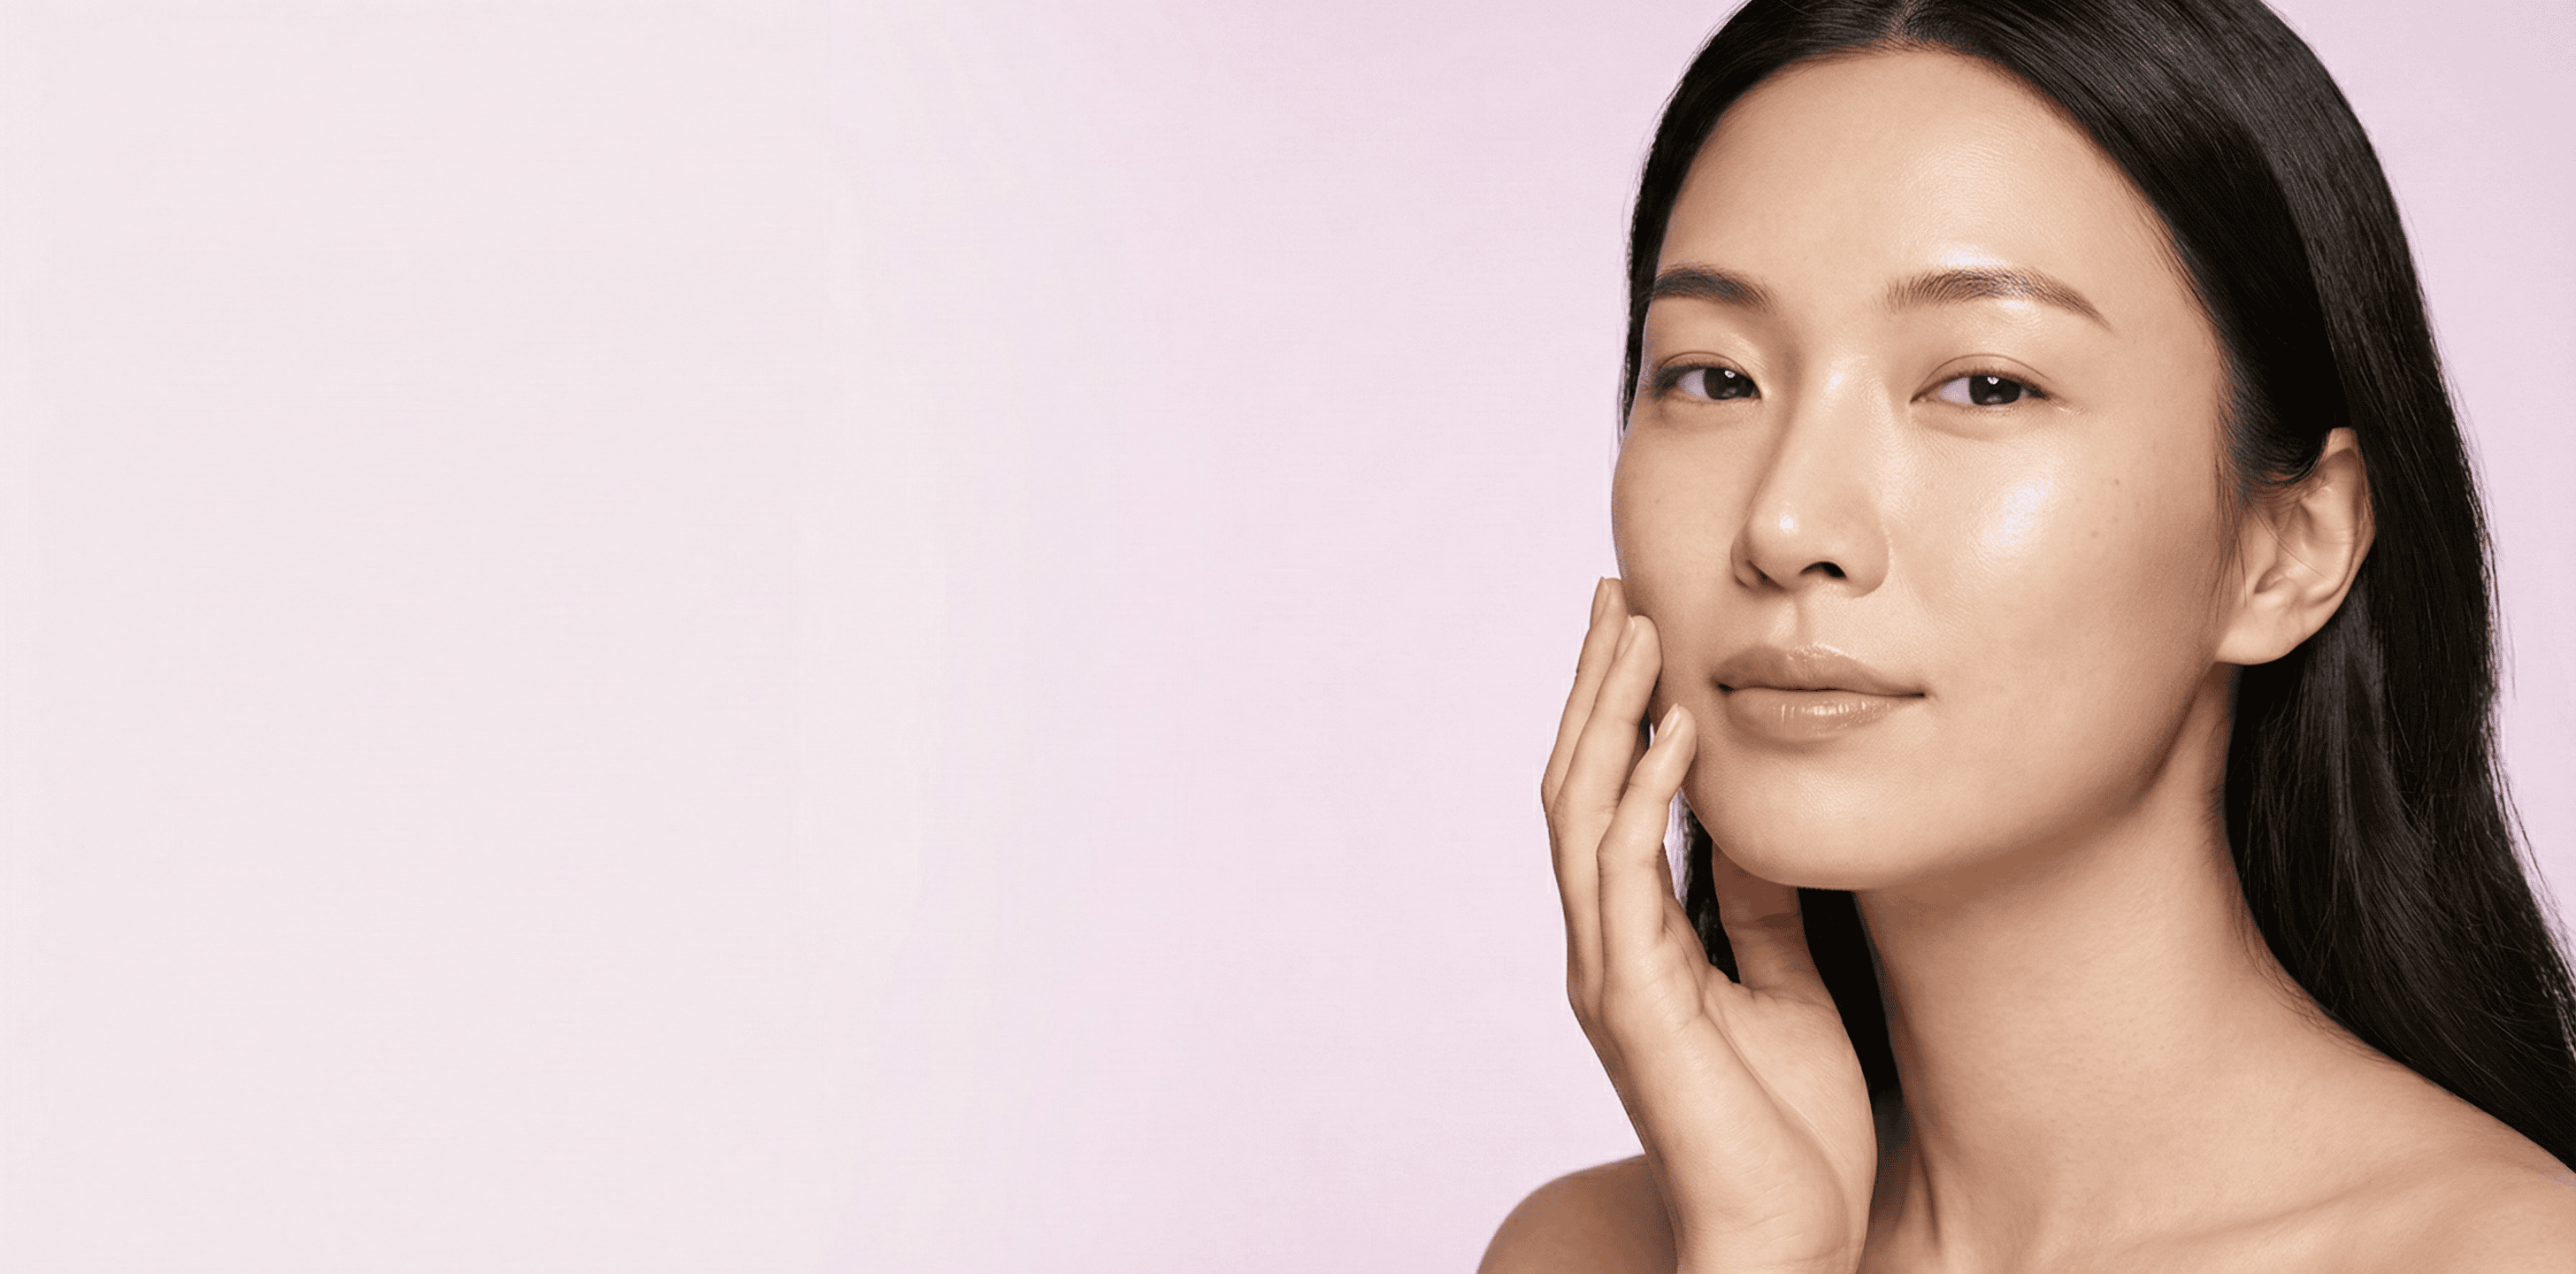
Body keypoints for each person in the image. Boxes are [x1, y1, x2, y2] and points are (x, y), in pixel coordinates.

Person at [1481, 1, 2576, 1270]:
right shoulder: (1593, 1250)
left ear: (2290, 547)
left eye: (1986, 384)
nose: (1785, 525)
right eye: (1714, 377)